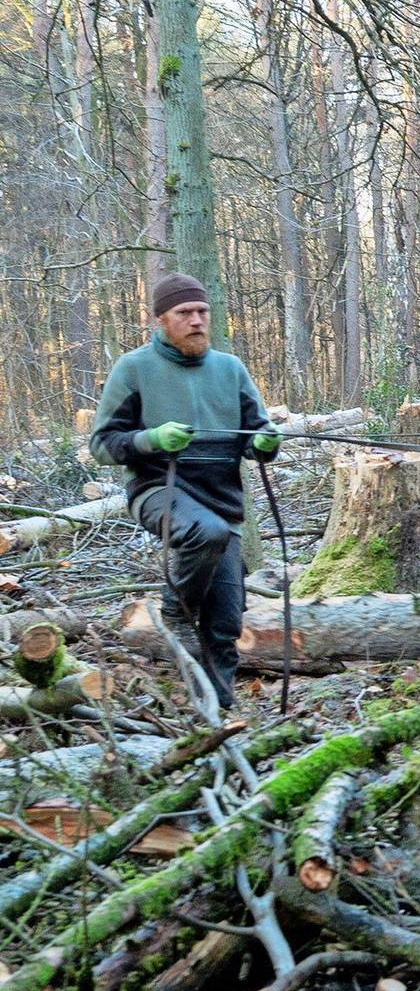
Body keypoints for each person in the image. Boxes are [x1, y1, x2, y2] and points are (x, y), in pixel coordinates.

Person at [89, 273, 281, 709]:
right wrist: (151, 439)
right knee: (205, 534)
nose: (196, 320)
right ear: (161, 320)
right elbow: (102, 445)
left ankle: (215, 714)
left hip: (223, 503)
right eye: (184, 313)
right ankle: (175, 608)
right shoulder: (134, 368)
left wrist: (265, 442)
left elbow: (257, 435)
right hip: (158, 489)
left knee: (226, 622)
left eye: (202, 312)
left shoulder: (230, 369)